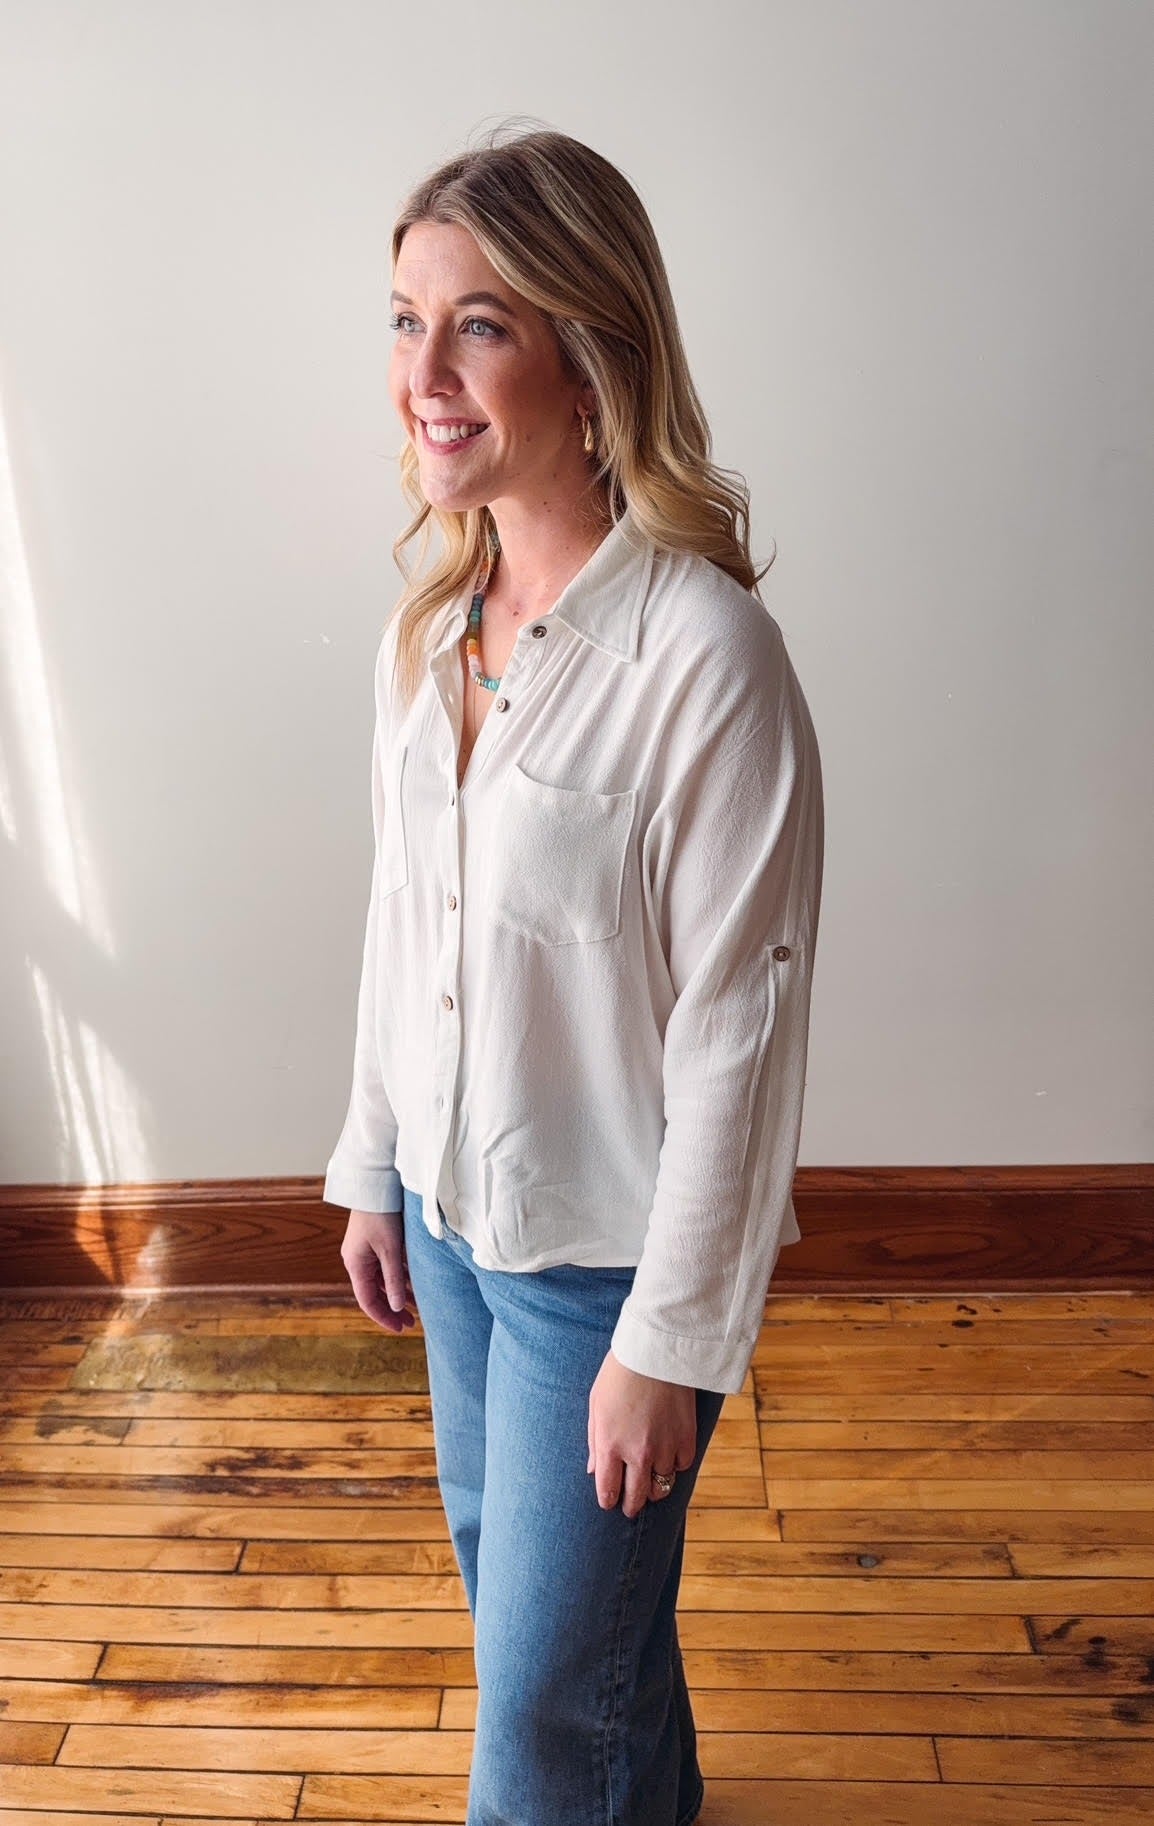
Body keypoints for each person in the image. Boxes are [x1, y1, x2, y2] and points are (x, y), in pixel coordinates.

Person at [323, 123, 824, 1826]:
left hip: (599, 1278)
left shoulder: (706, 657)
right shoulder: (434, 629)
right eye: (404, 319)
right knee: (556, 1632)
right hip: (461, 1236)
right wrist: (372, 1163)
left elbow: (738, 1039)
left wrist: (668, 1345)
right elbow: (410, 926)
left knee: (534, 1716)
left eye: (478, 323)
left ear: (588, 350)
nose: (423, 373)